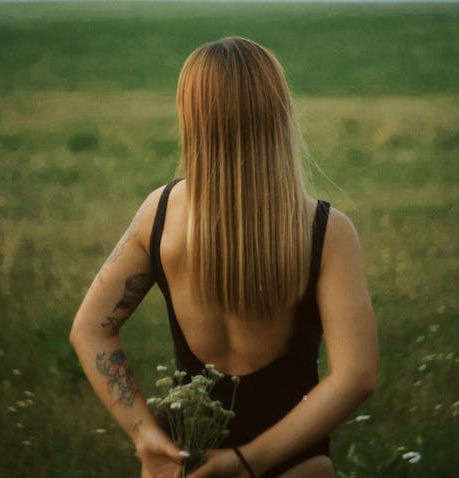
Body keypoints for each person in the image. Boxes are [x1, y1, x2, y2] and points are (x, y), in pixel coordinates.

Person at [70, 37, 378, 478]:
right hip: (297, 465)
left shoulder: (157, 215)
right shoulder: (327, 231)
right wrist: (246, 464)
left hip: (186, 462)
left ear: (190, 117)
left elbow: (90, 329)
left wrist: (145, 434)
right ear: (279, 112)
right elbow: (358, 375)